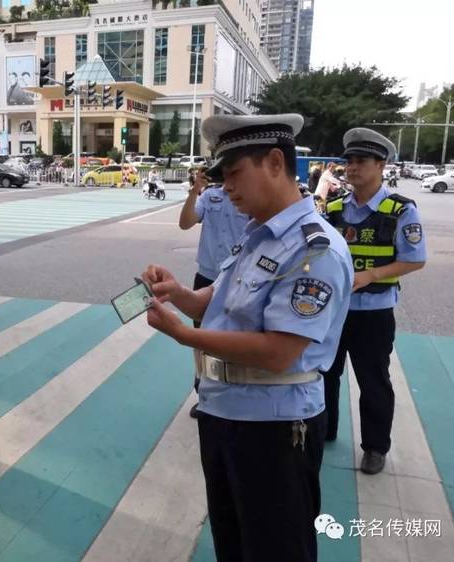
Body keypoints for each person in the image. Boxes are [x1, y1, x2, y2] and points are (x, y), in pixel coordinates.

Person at [142, 113, 352, 562]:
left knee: (277, 548)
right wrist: (178, 293)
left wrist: (185, 336)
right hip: (224, 413)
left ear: (276, 163)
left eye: (235, 174)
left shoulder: (314, 249)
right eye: (222, 178)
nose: (226, 188)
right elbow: (219, 304)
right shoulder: (257, 236)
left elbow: (280, 352)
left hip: (274, 429)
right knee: (234, 541)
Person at [322, 128, 426, 475]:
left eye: (361, 161)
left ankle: (375, 447)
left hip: (374, 313)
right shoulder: (334, 208)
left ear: (382, 165)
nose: (352, 168)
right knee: (325, 373)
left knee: (373, 381)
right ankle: (325, 430)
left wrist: (370, 276)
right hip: (333, 311)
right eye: (348, 161)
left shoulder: (399, 210)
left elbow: (415, 259)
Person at [178, 166, 248, 418]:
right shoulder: (209, 196)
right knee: (201, 341)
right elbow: (185, 223)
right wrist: (194, 191)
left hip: (236, 279)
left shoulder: (248, 199)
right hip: (206, 275)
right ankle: (204, 394)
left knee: (233, 339)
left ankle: (231, 394)